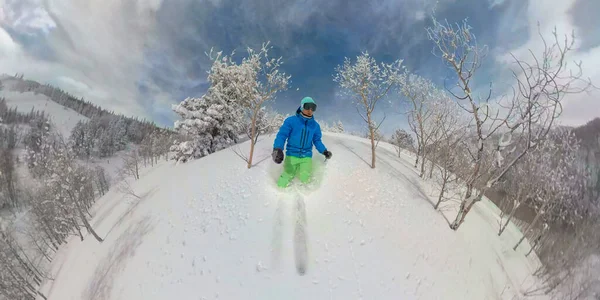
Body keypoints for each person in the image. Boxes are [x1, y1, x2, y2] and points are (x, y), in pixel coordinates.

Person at [272, 97, 332, 188]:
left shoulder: (315, 126)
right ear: (301, 106)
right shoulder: (291, 121)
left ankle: (307, 197)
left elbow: (317, 140)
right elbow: (282, 135)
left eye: (313, 107)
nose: (310, 110)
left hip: (306, 156)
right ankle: (279, 194)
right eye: (307, 106)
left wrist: (324, 151)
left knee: (305, 178)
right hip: (291, 154)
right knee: (287, 176)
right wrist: (277, 148)